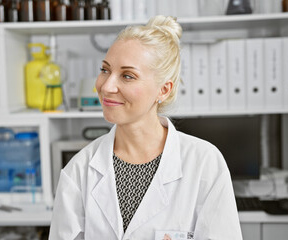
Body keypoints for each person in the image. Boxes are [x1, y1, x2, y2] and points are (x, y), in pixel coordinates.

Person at [49, 15, 242, 240]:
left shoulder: (204, 162)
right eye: (105, 70)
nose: (107, 86)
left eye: (127, 76)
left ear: (164, 90)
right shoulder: (79, 170)